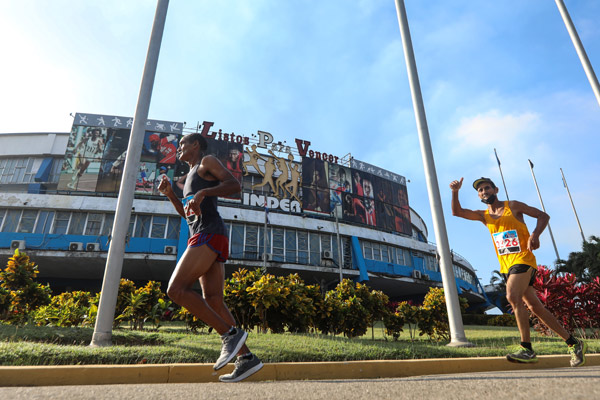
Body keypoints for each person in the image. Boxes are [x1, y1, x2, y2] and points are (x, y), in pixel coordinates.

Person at [158, 133, 263, 382]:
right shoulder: (189, 177)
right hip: (204, 233)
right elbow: (189, 216)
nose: (179, 148)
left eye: (182, 143)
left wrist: (204, 193)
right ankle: (247, 359)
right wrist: (172, 195)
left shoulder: (207, 162)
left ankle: (230, 336)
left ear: (196, 145)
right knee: (214, 300)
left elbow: (235, 185)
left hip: (209, 234)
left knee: (175, 289)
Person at [449, 176, 587, 367]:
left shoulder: (512, 206)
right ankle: (574, 343)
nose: (484, 191)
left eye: (487, 188)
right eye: (480, 190)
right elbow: (457, 212)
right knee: (535, 307)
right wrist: (455, 191)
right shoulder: (483, 215)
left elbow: (543, 216)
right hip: (506, 266)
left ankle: (527, 348)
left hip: (523, 259)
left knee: (512, 296)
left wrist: (535, 235)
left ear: (496, 190)